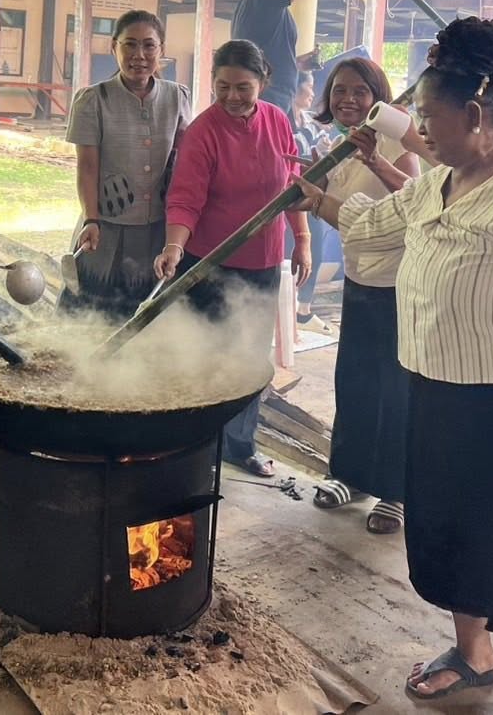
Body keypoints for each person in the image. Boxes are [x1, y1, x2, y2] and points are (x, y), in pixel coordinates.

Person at [296, 18, 493, 715]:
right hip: (445, 393)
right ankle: (472, 655)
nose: (416, 130)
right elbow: (371, 225)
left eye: (426, 116)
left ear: (473, 115)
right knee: (456, 529)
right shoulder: (440, 183)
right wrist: (311, 199)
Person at [156, 39, 310, 478]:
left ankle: (239, 446)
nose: (232, 97)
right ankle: (194, 449)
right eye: (222, 86)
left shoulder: (277, 120)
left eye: (243, 87)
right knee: (204, 356)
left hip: (263, 261)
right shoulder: (203, 131)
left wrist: (302, 238)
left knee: (249, 358)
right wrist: (173, 247)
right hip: (208, 262)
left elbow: (294, 184)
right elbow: (185, 199)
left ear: (263, 82)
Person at [304, 58, 418, 533]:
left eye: (359, 91)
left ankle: (395, 492)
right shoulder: (334, 148)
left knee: (396, 388)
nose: (347, 99)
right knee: (354, 380)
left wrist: (375, 160)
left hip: (400, 282)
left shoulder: (395, 140)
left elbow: (418, 196)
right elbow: (333, 209)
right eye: (339, 91)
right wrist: (311, 187)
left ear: (377, 97)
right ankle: (349, 475)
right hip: (359, 279)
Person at [64, 9, 190, 317]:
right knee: (91, 317)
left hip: (157, 228)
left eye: (149, 45)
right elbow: (87, 167)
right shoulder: (93, 100)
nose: (139, 55)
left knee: (147, 316)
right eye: (130, 44)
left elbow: (184, 161)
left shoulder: (177, 97)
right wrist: (91, 219)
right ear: (114, 47)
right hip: (105, 229)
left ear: (161, 50)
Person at [288, 72, 333, 333]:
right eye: (309, 87)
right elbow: (292, 150)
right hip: (289, 197)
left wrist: (324, 146)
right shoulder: (284, 118)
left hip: (312, 193)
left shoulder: (309, 120)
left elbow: (317, 150)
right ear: (295, 89)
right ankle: (286, 310)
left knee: (314, 249)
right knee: (287, 255)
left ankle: (303, 310)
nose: (313, 94)